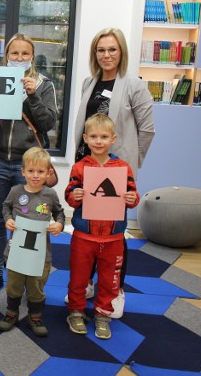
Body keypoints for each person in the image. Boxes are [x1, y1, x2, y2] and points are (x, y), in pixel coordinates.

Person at [72, 28, 155, 318]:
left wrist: (130, 163)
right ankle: (93, 283)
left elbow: (147, 129)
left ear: (121, 52)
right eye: (101, 50)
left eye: (112, 49)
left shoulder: (134, 85)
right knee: (87, 229)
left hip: (116, 171)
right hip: (88, 168)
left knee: (115, 233)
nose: (106, 55)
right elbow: (85, 124)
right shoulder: (88, 82)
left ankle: (115, 289)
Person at [0, 33, 58, 297]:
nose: (20, 58)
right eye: (15, 54)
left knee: (30, 221)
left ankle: (25, 273)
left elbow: (48, 124)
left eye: (25, 54)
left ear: (32, 56)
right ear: (7, 55)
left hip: (30, 166)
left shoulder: (44, 84)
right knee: (0, 221)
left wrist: (32, 96)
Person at [65, 113, 140, 340]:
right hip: (84, 236)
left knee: (109, 280)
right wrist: (75, 196)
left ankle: (103, 314)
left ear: (113, 139)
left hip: (113, 237)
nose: (99, 141)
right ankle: (76, 312)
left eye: (104, 137)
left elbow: (133, 196)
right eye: (94, 136)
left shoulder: (122, 168)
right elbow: (69, 196)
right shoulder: (80, 167)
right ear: (86, 138)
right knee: (79, 276)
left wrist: (131, 199)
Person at [0, 147, 65, 336]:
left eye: (41, 172)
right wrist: (8, 219)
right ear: (23, 171)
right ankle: (11, 313)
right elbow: (6, 207)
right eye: (31, 171)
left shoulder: (50, 194)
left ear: (48, 172)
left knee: (36, 286)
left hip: (41, 253)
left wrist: (59, 224)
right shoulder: (16, 191)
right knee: (14, 284)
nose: (35, 176)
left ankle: (35, 317)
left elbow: (60, 213)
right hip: (16, 251)